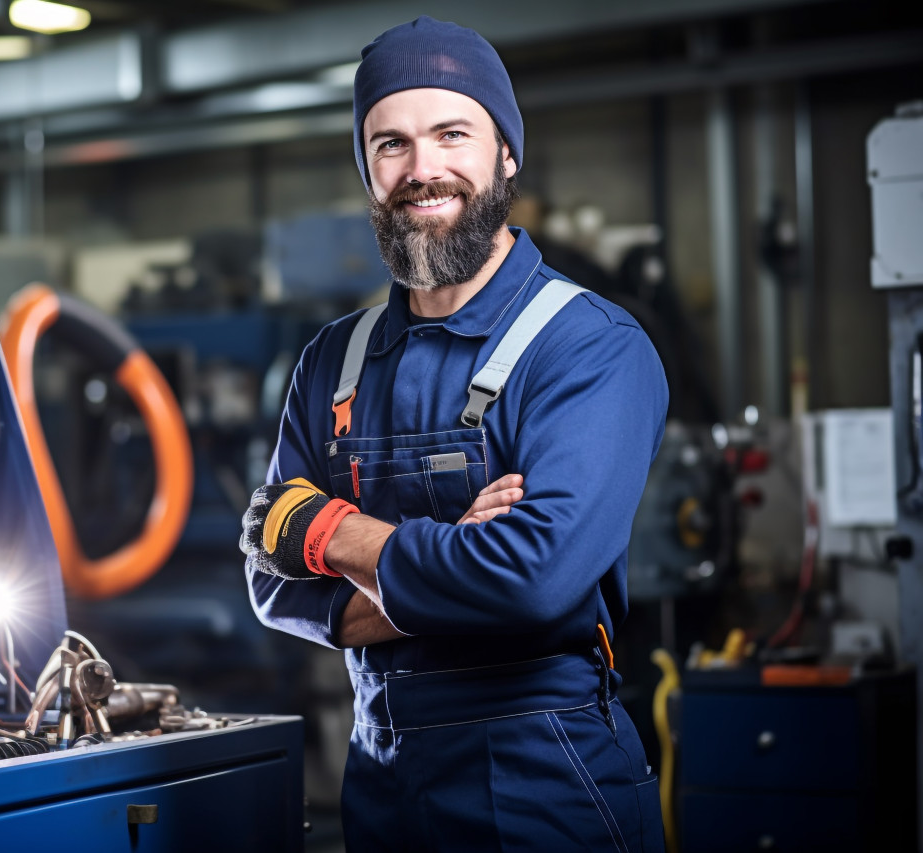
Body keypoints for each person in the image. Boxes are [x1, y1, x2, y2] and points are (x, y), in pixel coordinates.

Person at [239, 15, 669, 852]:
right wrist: (456, 568)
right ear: (366, 170)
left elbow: (531, 582)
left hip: (546, 782)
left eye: (452, 133)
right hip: (381, 780)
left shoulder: (589, 345)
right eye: (390, 143)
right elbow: (273, 583)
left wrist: (333, 533)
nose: (422, 169)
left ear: (506, 153)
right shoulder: (334, 359)